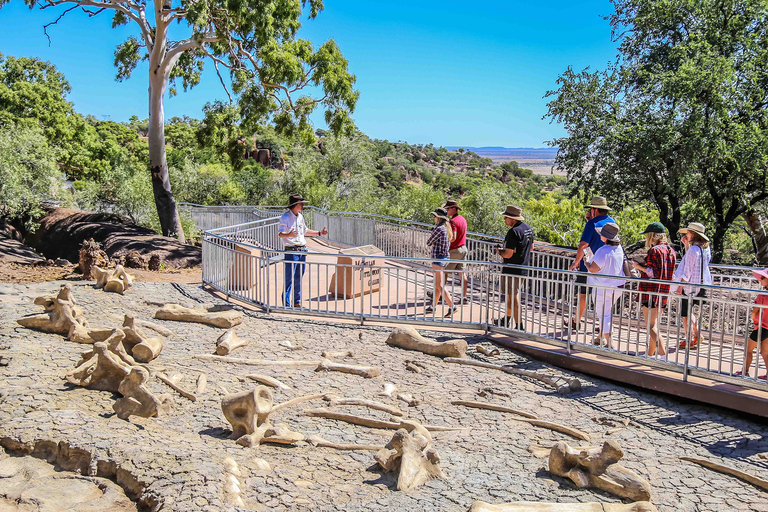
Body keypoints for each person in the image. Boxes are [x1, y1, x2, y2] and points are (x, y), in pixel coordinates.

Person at [567, 196, 616, 330]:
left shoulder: (592, 224)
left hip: (589, 265)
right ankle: (603, 325)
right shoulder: (612, 222)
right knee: (603, 297)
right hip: (606, 266)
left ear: (595, 209)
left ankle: (576, 321)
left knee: (583, 294)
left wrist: (576, 262)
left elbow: (584, 245)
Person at [633, 222, 677, 356]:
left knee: (651, 326)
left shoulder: (654, 250)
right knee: (654, 324)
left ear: (652, 235)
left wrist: (638, 267)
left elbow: (652, 273)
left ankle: (663, 355)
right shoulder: (671, 251)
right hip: (663, 291)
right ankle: (650, 354)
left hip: (650, 291)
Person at [277, 194, 328, 307]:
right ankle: (286, 304)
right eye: (301, 204)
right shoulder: (285, 217)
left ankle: (297, 301)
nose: (302, 206)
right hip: (292, 251)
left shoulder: (300, 217)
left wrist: (319, 233)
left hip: (302, 251)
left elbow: (305, 231)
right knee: (289, 278)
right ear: (295, 205)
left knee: (299, 277)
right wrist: (289, 234)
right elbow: (280, 234)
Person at [585, 222, 627, 349]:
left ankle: (609, 343)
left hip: (603, 287)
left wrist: (587, 262)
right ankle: (600, 337)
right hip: (617, 286)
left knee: (604, 314)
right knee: (606, 312)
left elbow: (593, 269)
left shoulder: (603, 251)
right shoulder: (619, 248)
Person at [672, 222, 712, 350]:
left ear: (693, 234)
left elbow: (687, 270)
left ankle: (689, 339)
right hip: (700, 285)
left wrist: (680, 286)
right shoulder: (705, 249)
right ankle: (697, 335)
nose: (687, 234)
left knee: (685, 314)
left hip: (689, 287)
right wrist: (686, 245)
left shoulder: (693, 250)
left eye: (688, 232)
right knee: (689, 312)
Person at [495, 205, 533, 329]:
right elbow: (531, 248)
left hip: (512, 269)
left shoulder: (513, 232)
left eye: (506, 217)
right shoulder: (527, 228)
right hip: (523, 268)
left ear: (512, 219)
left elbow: (508, 254)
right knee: (510, 296)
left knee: (514, 297)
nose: (504, 219)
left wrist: (499, 251)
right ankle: (506, 319)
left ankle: (519, 326)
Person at [737, 268, 768, 380]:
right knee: (765, 352)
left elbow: (755, 312)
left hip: (761, 327)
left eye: (763, 278)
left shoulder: (762, 296)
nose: (760, 279)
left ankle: (744, 371)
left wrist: (753, 319)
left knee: (748, 349)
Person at [426, 207, 456, 317]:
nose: (433, 218)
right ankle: (432, 306)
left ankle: (452, 306)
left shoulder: (439, 229)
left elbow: (429, 242)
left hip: (438, 259)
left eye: (435, 216)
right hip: (443, 258)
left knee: (439, 285)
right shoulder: (446, 228)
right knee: (437, 285)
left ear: (438, 218)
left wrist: (433, 243)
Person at [444, 199, 470, 304]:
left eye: (448, 209)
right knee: (462, 273)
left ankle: (441, 293)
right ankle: (464, 297)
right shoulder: (463, 219)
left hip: (454, 250)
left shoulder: (453, 221)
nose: (447, 211)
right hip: (463, 249)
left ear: (453, 209)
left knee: (443, 271)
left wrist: (445, 240)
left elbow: (453, 237)